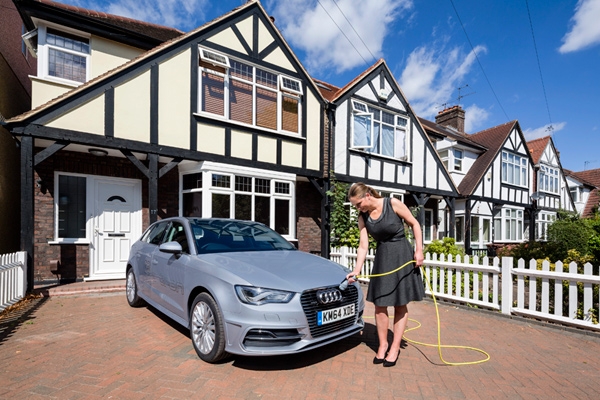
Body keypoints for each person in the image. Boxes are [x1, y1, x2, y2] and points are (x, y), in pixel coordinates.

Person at [346, 182, 425, 367]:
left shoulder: (393, 203)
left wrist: (419, 250)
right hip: (383, 258)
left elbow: (414, 224)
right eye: (355, 206)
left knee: (400, 303)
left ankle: (395, 347)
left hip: (402, 254)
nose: (358, 208)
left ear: (367, 195)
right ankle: (383, 345)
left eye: (358, 204)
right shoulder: (363, 217)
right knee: (380, 306)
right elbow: (363, 245)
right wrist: (357, 270)